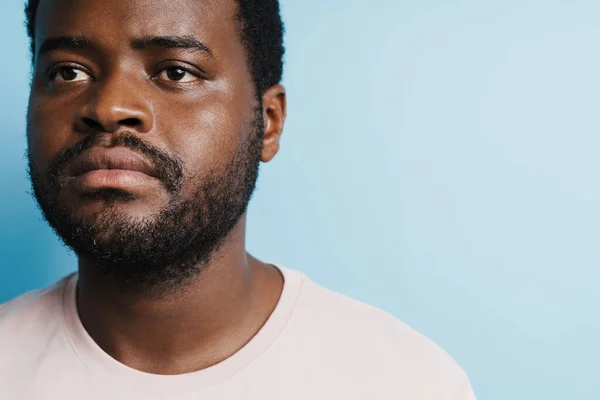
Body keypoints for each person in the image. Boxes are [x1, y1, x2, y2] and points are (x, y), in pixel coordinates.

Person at [0, 0, 477, 398]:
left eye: (175, 71)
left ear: (267, 121)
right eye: (66, 73)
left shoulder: (405, 382)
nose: (108, 108)